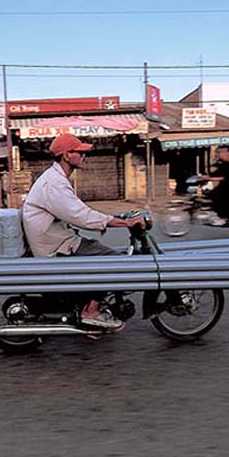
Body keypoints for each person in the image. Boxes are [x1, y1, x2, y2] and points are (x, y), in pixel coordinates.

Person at [22, 133, 145, 330]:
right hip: (56, 247)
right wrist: (125, 223)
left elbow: (78, 211)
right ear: (66, 155)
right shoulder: (53, 184)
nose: (83, 156)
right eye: (79, 152)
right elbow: (82, 216)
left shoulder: (56, 179)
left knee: (98, 250)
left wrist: (117, 218)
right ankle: (91, 311)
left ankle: (90, 304)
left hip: (59, 239)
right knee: (115, 261)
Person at [205, 145, 229, 225]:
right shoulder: (222, 163)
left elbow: (225, 177)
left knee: (217, 196)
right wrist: (206, 177)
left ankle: (225, 217)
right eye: (217, 152)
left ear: (228, 153)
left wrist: (209, 178)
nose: (218, 154)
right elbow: (216, 173)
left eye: (220, 152)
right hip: (225, 185)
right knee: (210, 194)